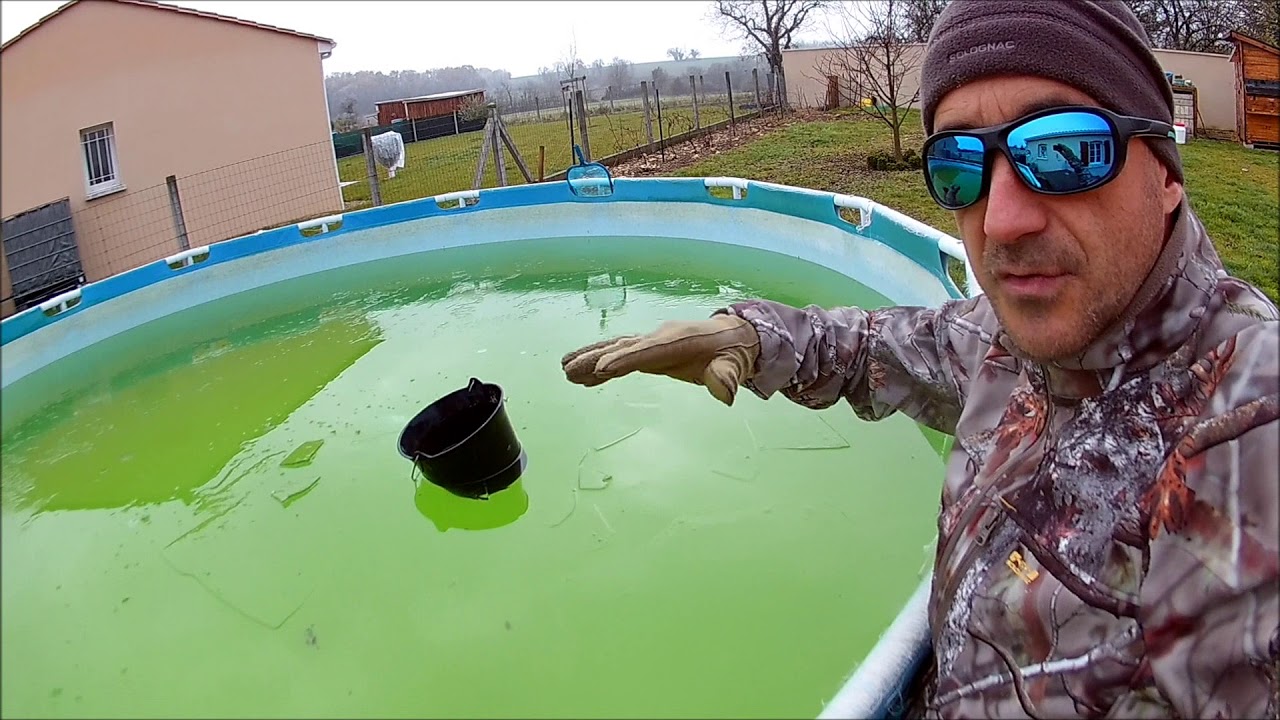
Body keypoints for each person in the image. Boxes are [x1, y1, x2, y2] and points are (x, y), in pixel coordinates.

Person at [560, 1, 1280, 717]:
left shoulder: (1244, 425)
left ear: (1166, 172)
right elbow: (874, 346)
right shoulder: (1010, 346)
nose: (1002, 220)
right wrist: (751, 336)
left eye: (1064, 150)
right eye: (960, 166)